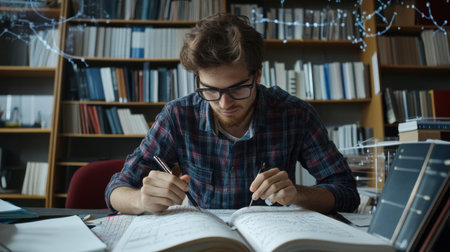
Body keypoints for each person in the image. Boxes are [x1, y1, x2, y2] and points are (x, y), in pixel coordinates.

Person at [105, 13, 360, 214]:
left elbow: (347, 192)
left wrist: (297, 194)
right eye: (211, 90)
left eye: (238, 89)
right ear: (197, 82)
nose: (224, 103)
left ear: (257, 75)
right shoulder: (178, 116)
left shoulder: (295, 115)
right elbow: (116, 189)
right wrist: (140, 200)